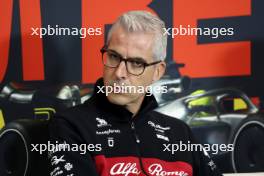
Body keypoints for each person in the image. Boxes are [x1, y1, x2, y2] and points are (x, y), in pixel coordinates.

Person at [48, 10, 223, 176]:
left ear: (158, 72)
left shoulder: (180, 132)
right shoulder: (70, 126)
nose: (119, 73)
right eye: (114, 57)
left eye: (136, 63)